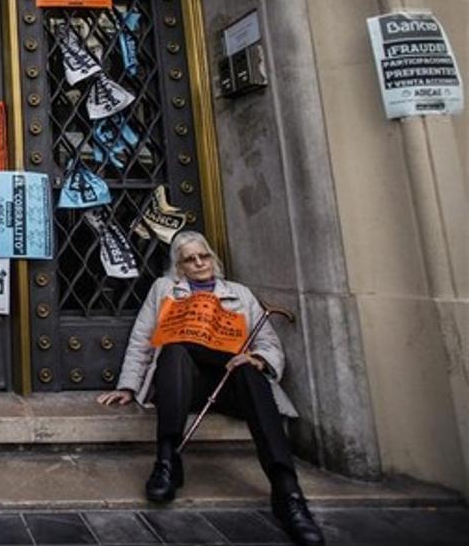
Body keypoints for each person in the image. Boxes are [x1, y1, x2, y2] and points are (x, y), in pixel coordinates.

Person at [96, 231, 325, 546]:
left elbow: (269, 344)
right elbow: (142, 339)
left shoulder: (240, 294)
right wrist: (128, 385)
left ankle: (288, 494)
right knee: (175, 347)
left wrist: (257, 358)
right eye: (190, 260)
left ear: (213, 259)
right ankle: (167, 463)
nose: (199, 263)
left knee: (248, 367)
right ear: (179, 267)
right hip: (184, 383)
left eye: (203, 256)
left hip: (232, 384)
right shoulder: (164, 290)